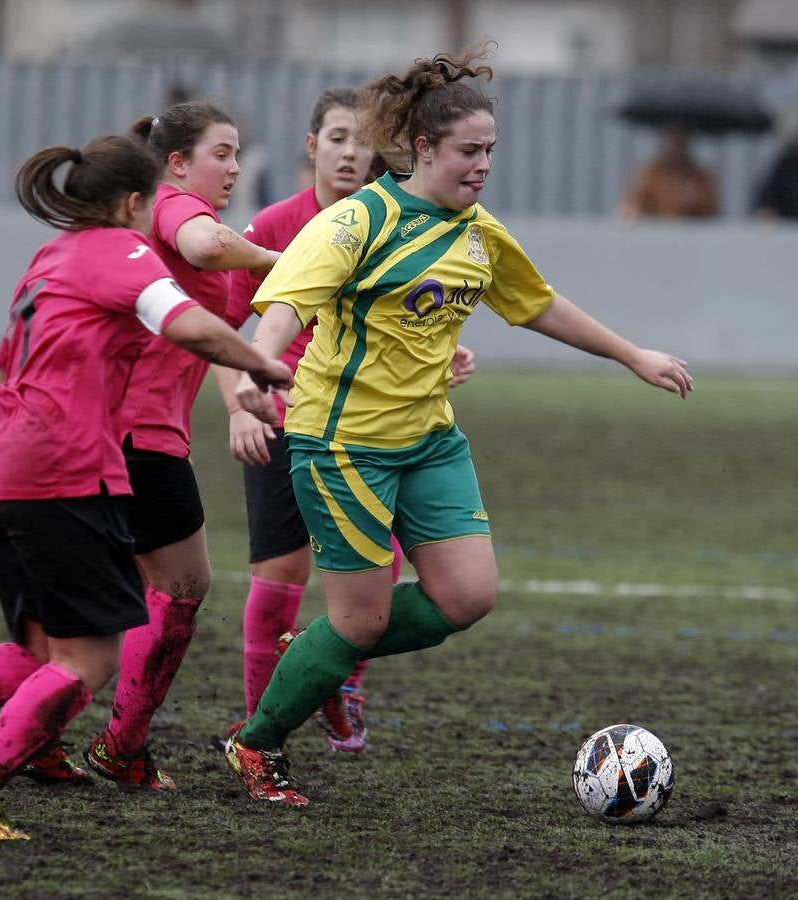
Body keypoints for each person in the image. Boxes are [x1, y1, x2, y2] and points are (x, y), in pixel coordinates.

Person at [222, 48, 693, 807]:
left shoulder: (478, 231)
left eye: (490, 153)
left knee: (467, 597)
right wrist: (255, 371)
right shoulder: (357, 220)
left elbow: (536, 303)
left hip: (430, 439)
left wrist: (631, 353)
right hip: (342, 447)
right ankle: (258, 744)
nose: (483, 166)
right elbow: (286, 306)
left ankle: (323, 649)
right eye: (470, 152)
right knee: (363, 619)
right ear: (423, 150)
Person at [0, 134, 292, 842]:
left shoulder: (48, 257)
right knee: (90, 659)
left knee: (42, 655)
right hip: (62, 467)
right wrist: (264, 371)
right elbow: (193, 327)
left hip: (2, 466)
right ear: (133, 203)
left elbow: (11, 359)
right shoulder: (120, 251)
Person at [213, 88, 476, 755]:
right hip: (284, 417)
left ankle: (342, 679)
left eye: (363, 139)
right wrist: (238, 403)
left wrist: (436, 358)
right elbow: (222, 324)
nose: (351, 152)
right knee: (281, 577)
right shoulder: (279, 223)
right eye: (337, 137)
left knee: (379, 572)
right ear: (313, 147)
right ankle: (259, 720)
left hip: (376, 426)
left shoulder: (406, 219)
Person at [77, 100, 283, 791]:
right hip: (135, 436)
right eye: (220, 153)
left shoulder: (174, 217)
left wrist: (237, 403)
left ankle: (72, 741)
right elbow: (206, 247)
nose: (231, 166)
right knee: (179, 587)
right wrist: (279, 255)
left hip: (127, 431)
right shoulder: (172, 209)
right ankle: (121, 745)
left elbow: (209, 332)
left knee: (100, 599)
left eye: (236, 153)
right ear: (176, 164)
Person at [617, 125, 718, 220]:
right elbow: (631, 207)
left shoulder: (701, 176)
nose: (675, 148)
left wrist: (695, 203)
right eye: (672, 140)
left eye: (681, 142)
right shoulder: (649, 173)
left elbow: (713, 214)